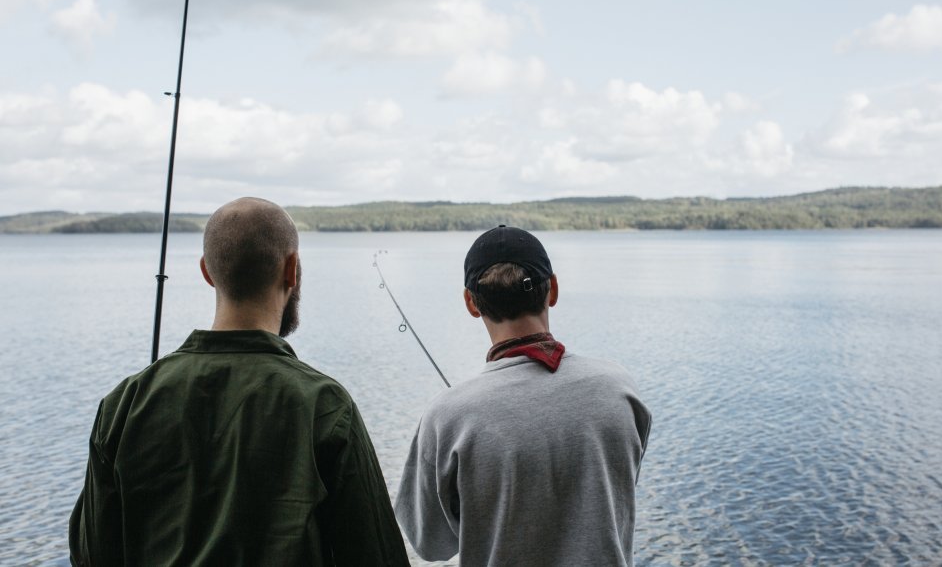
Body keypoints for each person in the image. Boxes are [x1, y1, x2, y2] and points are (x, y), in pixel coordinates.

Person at [68, 197, 409, 566]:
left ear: (207, 272)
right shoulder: (324, 406)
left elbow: (91, 556)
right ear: (291, 269)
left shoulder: (125, 403)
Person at [395, 225, 652, 566]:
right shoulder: (619, 389)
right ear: (554, 290)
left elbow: (430, 544)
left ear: (471, 302)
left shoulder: (448, 416)